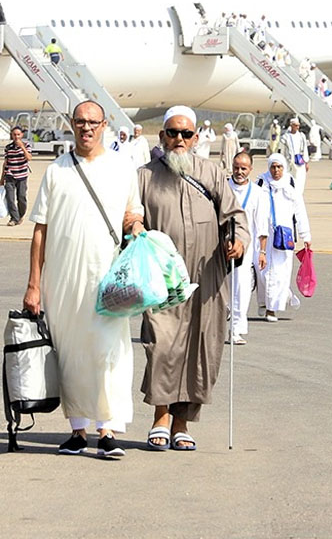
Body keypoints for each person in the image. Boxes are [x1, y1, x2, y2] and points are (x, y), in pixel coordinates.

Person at [23, 101, 144, 458]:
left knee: (108, 351)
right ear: (71, 125)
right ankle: (77, 430)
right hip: (61, 281)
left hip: (107, 278)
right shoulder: (57, 170)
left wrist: (135, 225)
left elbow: (131, 212)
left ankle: (107, 430)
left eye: (93, 122)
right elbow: (40, 230)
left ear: (104, 125)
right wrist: (33, 283)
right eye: (80, 122)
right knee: (71, 353)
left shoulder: (122, 167)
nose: (86, 128)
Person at [137, 106, 249, 451]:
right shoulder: (144, 176)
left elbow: (234, 215)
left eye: (186, 134)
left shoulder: (212, 173)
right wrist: (134, 226)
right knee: (162, 345)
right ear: (162, 137)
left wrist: (238, 241)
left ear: (196, 138)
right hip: (163, 279)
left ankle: (182, 422)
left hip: (207, 275)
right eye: (173, 133)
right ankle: (160, 416)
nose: (179, 140)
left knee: (202, 348)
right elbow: (130, 215)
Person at [256, 154, 312, 321]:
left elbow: (299, 211)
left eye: (279, 167)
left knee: (280, 272)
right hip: (264, 235)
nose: (276, 170)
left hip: (284, 236)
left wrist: (305, 234)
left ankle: (272, 309)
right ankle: (264, 302)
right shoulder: (261, 183)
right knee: (263, 272)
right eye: (273, 167)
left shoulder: (290, 183)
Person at [227, 151, 269, 345]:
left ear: (250, 169)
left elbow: (261, 226)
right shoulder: (223, 188)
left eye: (243, 168)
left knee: (242, 288)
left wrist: (261, 252)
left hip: (245, 249)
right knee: (222, 289)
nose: (239, 171)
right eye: (236, 167)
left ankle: (236, 329)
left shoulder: (258, 193)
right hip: (221, 246)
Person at [0, 126, 33, 225]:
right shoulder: (8, 148)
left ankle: (21, 215)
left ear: (22, 135)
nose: (16, 137)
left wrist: (22, 147)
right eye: (14, 135)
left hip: (22, 176)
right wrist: (2, 177)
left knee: (21, 197)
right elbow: (6, 162)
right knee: (10, 198)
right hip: (10, 175)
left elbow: (29, 158)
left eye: (18, 134)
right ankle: (14, 218)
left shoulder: (27, 146)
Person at [281, 117, 309, 192]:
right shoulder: (285, 137)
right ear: (291, 125)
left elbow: (305, 149)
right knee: (289, 178)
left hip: (300, 160)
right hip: (289, 161)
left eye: (298, 125)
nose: (297, 127)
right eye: (295, 125)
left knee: (300, 178)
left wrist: (306, 162)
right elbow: (283, 151)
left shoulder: (301, 136)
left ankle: (298, 194)